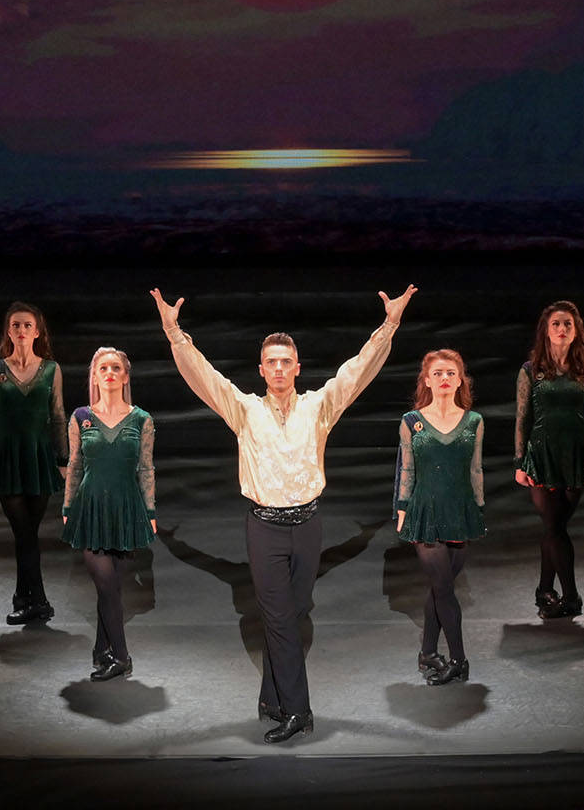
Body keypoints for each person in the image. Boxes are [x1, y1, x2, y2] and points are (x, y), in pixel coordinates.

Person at [153, 283, 416, 745]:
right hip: (264, 528)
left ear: (297, 367)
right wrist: (175, 333)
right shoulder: (244, 410)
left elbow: (357, 372)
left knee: (291, 616)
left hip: (309, 525)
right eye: (270, 362)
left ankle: (272, 696)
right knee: (277, 617)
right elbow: (205, 376)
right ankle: (299, 712)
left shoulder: (319, 406)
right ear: (261, 370)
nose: (278, 369)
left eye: (285, 362)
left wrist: (389, 324)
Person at [61, 347, 156, 682]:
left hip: (125, 508)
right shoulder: (81, 417)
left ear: (125, 376)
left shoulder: (141, 419)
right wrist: (68, 506)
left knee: (112, 586)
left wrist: (150, 509)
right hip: (90, 508)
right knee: (107, 584)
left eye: (116, 367)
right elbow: (74, 465)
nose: (110, 372)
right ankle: (122, 656)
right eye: (104, 367)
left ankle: (102, 649)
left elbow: (146, 468)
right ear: (95, 375)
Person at [394, 349, 484, 686]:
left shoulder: (473, 421)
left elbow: (475, 469)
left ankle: (428, 651)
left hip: (460, 512)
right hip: (425, 513)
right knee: (445, 589)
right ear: (427, 380)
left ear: (460, 379)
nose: (444, 378)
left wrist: (478, 507)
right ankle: (459, 660)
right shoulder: (411, 421)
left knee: (439, 587)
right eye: (438, 373)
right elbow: (406, 468)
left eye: (450, 373)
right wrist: (401, 508)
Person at [0, 302, 68, 625]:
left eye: (27, 325)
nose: (21, 331)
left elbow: (58, 416)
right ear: (8, 332)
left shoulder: (51, 370)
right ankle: (38, 600)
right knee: (24, 531)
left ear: (37, 332)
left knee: (27, 534)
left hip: (39, 457)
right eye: (16, 325)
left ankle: (24, 598)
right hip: (7, 457)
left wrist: (63, 458)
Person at [513, 301, 584, 618]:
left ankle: (544, 589)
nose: (561, 329)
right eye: (555, 324)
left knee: (555, 527)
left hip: (575, 458)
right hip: (542, 458)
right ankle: (572, 598)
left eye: (567, 324)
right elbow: (522, 417)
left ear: (576, 332)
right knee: (555, 527)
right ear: (546, 331)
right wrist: (520, 462)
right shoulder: (529, 371)